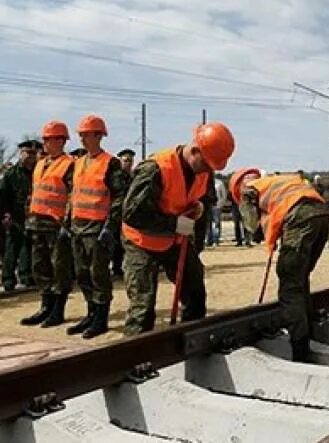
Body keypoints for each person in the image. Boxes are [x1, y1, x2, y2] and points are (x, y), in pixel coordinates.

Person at [120, 121, 235, 335]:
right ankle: (134, 360)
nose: (209, 170)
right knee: (142, 308)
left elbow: (206, 200)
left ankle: (191, 342)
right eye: (207, 164)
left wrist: (199, 207)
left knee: (195, 291)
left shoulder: (205, 169)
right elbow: (132, 214)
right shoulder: (155, 168)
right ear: (194, 151)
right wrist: (175, 224)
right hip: (141, 242)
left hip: (175, 240)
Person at [229, 168, 329, 362]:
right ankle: (308, 328)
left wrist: (259, 232)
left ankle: (300, 348)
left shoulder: (249, 189)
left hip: (299, 216)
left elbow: (252, 227)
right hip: (322, 213)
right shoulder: (276, 181)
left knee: (290, 284)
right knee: (300, 278)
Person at [66, 115, 128, 338]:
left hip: (98, 227)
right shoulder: (79, 162)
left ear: (99, 136)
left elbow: (120, 196)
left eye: (86, 135)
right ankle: (91, 313)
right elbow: (73, 194)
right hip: (78, 226)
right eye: (81, 135)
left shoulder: (110, 163)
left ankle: (101, 317)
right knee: (82, 273)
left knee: (98, 274)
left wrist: (110, 226)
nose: (82, 139)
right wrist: (67, 222)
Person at [20, 122, 75, 327]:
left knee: (59, 268)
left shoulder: (69, 164)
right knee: (40, 267)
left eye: (47, 139)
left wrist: (66, 224)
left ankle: (57, 310)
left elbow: (72, 196)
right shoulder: (41, 163)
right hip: (37, 223)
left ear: (60, 141)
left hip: (56, 224)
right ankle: (45, 306)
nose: (43, 143)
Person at [0, 140, 39, 290]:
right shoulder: (11, 174)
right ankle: (8, 278)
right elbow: (2, 196)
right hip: (15, 215)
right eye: (28, 153)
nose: (31, 156)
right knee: (12, 248)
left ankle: (26, 275)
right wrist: (5, 214)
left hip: (33, 215)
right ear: (21, 153)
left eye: (34, 153)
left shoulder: (38, 171)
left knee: (28, 247)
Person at [110, 148, 137, 279]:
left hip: (127, 214)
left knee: (124, 243)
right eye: (126, 160)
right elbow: (119, 193)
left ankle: (120, 267)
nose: (128, 163)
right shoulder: (117, 176)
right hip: (116, 213)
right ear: (120, 161)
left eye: (130, 160)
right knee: (115, 243)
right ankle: (116, 268)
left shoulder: (133, 176)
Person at [207, 175, 227, 246]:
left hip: (217, 207)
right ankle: (209, 240)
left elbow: (224, 195)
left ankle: (216, 239)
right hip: (208, 206)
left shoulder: (219, 183)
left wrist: (220, 205)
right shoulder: (206, 182)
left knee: (217, 223)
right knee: (208, 224)